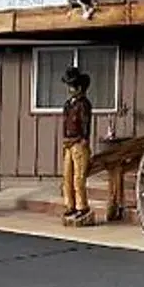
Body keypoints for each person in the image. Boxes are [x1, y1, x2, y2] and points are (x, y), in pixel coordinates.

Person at [60, 67, 93, 221]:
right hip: (68, 142)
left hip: (79, 142)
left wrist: (84, 138)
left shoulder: (83, 104)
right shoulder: (68, 104)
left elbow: (85, 123)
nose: (69, 89)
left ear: (79, 88)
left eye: (72, 86)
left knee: (78, 177)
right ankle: (70, 204)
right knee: (67, 175)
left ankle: (82, 206)